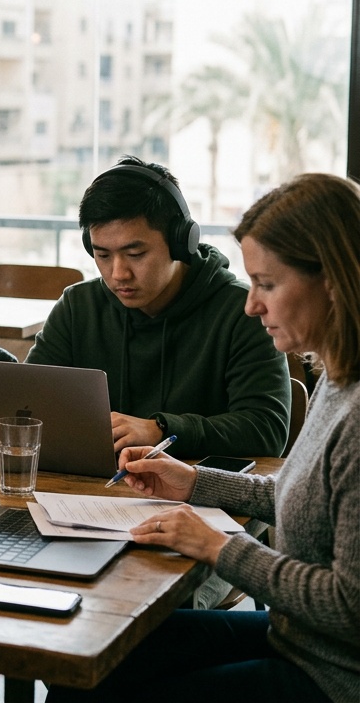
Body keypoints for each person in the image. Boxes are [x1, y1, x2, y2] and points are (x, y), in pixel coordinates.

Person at [50, 173, 360, 702]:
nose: (251, 305)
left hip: (333, 676)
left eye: (266, 284)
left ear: (333, 280)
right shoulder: (339, 378)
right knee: (88, 655)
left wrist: (219, 546)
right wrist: (193, 482)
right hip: (298, 640)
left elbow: (350, 607)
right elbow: (303, 495)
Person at [27, 155, 290, 459]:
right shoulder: (78, 307)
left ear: (181, 242)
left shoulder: (242, 312)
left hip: (197, 486)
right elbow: (27, 404)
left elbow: (266, 428)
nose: (118, 273)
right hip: (96, 483)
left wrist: (162, 430)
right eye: (103, 256)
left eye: (135, 254)